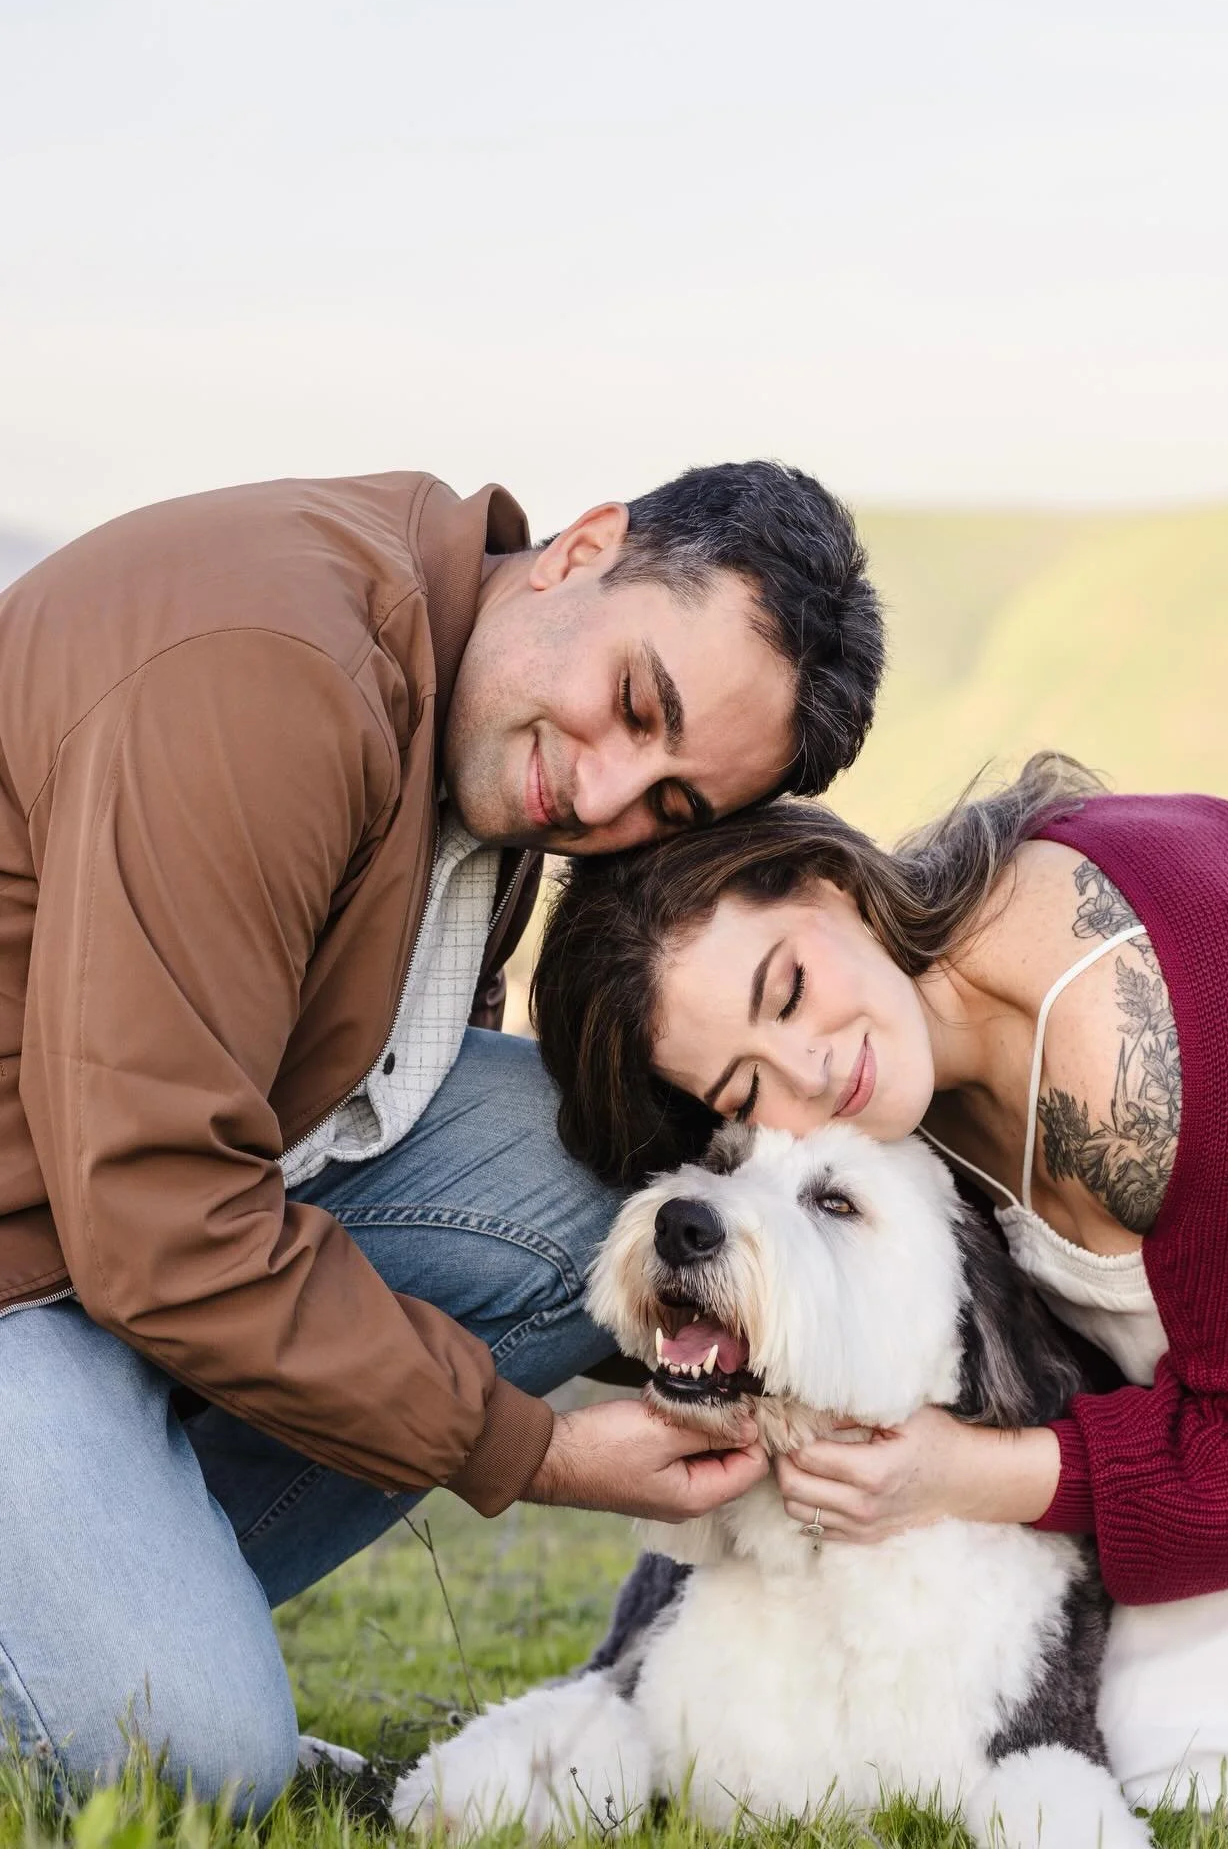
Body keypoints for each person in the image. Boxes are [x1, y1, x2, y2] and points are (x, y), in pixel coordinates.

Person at [0, 461, 883, 1809]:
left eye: (671, 804)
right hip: (37, 1266)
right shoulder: (276, 674)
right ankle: (95, 1650)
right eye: (636, 702)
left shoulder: (482, 723)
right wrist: (531, 1452)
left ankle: (122, 1603)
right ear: (586, 549)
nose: (604, 796)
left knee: (610, 1190)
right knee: (192, 1754)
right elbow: (158, 1221)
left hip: (89, 1230)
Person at [531, 759, 1228, 1845]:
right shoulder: (901, 1065)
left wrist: (959, 1474)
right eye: (745, 1088)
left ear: (829, 878)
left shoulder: (1145, 1048)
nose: (808, 1074)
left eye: (789, 991)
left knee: (1179, 1738)